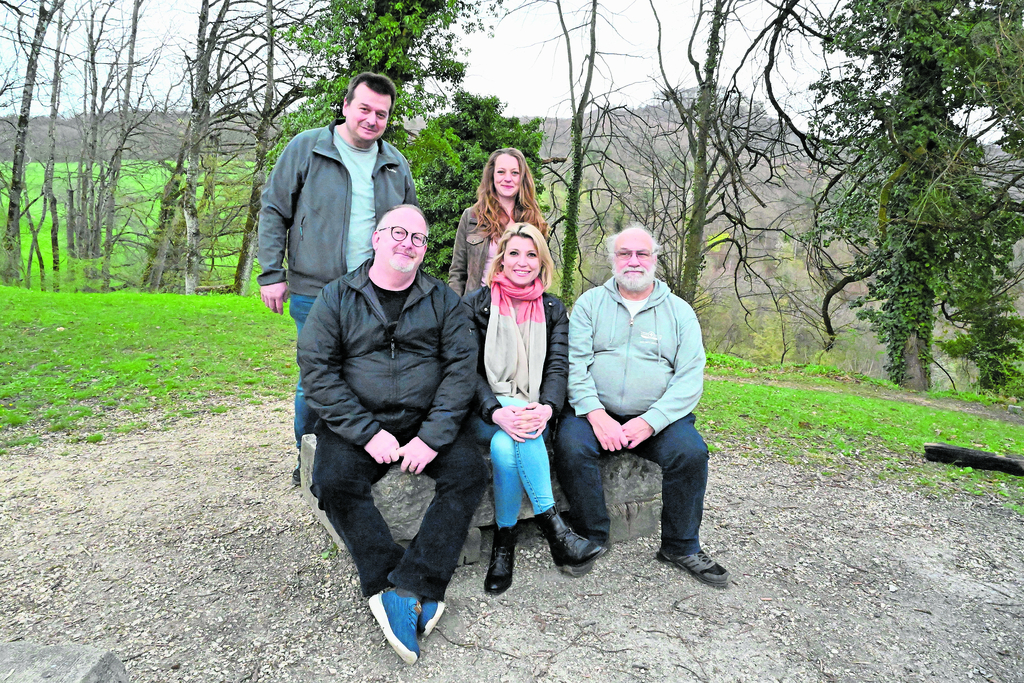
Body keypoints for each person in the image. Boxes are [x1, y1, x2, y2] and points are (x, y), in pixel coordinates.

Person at [297, 205, 484, 665]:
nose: (408, 243)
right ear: (377, 238)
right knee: (333, 480)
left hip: (425, 420)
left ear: (425, 251)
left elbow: (462, 371)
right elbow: (317, 372)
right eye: (398, 233)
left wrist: (434, 436)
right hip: (357, 420)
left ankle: (417, 581)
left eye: (418, 239)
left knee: (470, 472)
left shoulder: (443, 300)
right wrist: (365, 433)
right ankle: (386, 584)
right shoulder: (337, 296)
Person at [257, 72, 417, 486]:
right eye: (364, 109)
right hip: (315, 289)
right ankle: (307, 459)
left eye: (381, 114)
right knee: (316, 379)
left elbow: (410, 226)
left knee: (369, 376)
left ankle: (352, 457)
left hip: (375, 294)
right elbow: (274, 210)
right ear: (346, 106)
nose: (371, 119)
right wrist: (272, 273)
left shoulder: (395, 163)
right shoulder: (307, 148)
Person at [554, 225, 730, 588]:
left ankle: (680, 546)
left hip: (658, 417)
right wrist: (595, 413)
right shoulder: (590, 304)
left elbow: (690, 376)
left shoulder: (679, 313)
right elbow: (574, 365)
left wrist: (651, 422)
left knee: (691, 453)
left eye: (642, 254)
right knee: (571, 446)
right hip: (594, 412)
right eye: (624, 254)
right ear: (612, 259)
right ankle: (591, 535)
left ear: (654, 259)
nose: (633, 261)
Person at [457, 223, 605, 594]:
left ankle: (504, 542)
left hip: (532, 411)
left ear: (541, 261)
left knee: (507, 448)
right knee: (506, 432)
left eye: (531, 254)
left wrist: (548, 409)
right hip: (483, 411)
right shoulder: (475, 305)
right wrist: (496, 410)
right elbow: (466, 371)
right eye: (514, 254)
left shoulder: (554, 309)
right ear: (501, 259)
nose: (522, 262)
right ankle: (556, 529)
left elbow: (558, 365)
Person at [447, 148, 547, 297]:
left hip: (519, 310)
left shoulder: (535, 222)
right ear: (491, 176)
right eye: (501, 172)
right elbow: (457, 272)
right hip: (476, 311)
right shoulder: (472, 217)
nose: (507, 178)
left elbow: (541, 274)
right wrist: (455, 311)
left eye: (514, 173)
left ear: (522, 178)